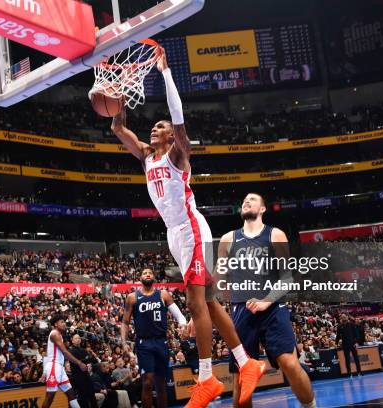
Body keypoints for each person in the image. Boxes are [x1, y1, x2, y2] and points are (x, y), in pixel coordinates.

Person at [111, 47, 264, 408]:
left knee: (197, 303)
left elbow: (179, 121)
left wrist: (164, 74)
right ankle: (246, 363)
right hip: (174, 235)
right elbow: (118, 127)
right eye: (156, 126)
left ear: (170, 136)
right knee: (209, 305)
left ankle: (207, 377)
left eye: (161, 126)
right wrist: (117, 95)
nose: (156, 127)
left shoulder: (178, 156)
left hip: (193, 229)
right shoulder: (147, 157)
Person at [219, 193, 316, 408]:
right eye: (244, 200)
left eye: (252, 199)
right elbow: (218, 280)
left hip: (272, 307)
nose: (246, 201)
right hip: (241, 310)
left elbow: (287, 278)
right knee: (242, 379)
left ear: (263, 209)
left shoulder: (275, 235)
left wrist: (265, 301)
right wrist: (201, 311)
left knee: (289, 363)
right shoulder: (228, 239)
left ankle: (311, 406)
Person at [121, 268, 187, 408]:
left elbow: (180, 315)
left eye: (150, 273)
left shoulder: (163, 294)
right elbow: (125, 322)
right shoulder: (132, 297)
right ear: (140, 278)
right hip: (144, 343)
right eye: (145, 273)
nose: (148, 274)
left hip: (161, 342)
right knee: (147, 382)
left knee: (161, 383)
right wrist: (124, 342)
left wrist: (182, 324)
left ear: (154, 277)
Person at [41, 315, 85, 408]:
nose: (64, 324)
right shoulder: (55, 334)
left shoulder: (58, 334)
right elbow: (65, 352)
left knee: (71, 394)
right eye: (62, 322)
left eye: (64, 322)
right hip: (54, 366)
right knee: (49, 398)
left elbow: (47, 354)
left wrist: (45, 371)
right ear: (56, 324)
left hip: (59, 367)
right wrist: (79, 363)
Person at [69, 334, 99, 408]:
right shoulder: (71, 351)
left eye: (79, 338)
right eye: (76, 338)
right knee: (83, 397)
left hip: (86, 375)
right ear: (72, 341)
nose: (78, 339)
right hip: (78, 376)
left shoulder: (83, 350)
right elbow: (77, 362)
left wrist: (89, 359)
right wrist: (87, 359)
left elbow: (92, 360)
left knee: (92, 395)